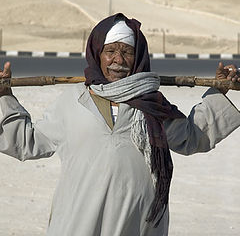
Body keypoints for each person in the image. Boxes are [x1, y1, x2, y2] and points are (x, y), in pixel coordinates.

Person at [0, 13, 240, 236]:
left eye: (127, 51)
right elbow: (28, 142)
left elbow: (191, 137)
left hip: (137, 225)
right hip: (77, 224)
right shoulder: (73, 100)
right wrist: (4, 97)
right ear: (97, 54)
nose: (118, 60)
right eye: (110, 50)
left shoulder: (154, 105)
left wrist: (220, 91)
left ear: (139, 58)